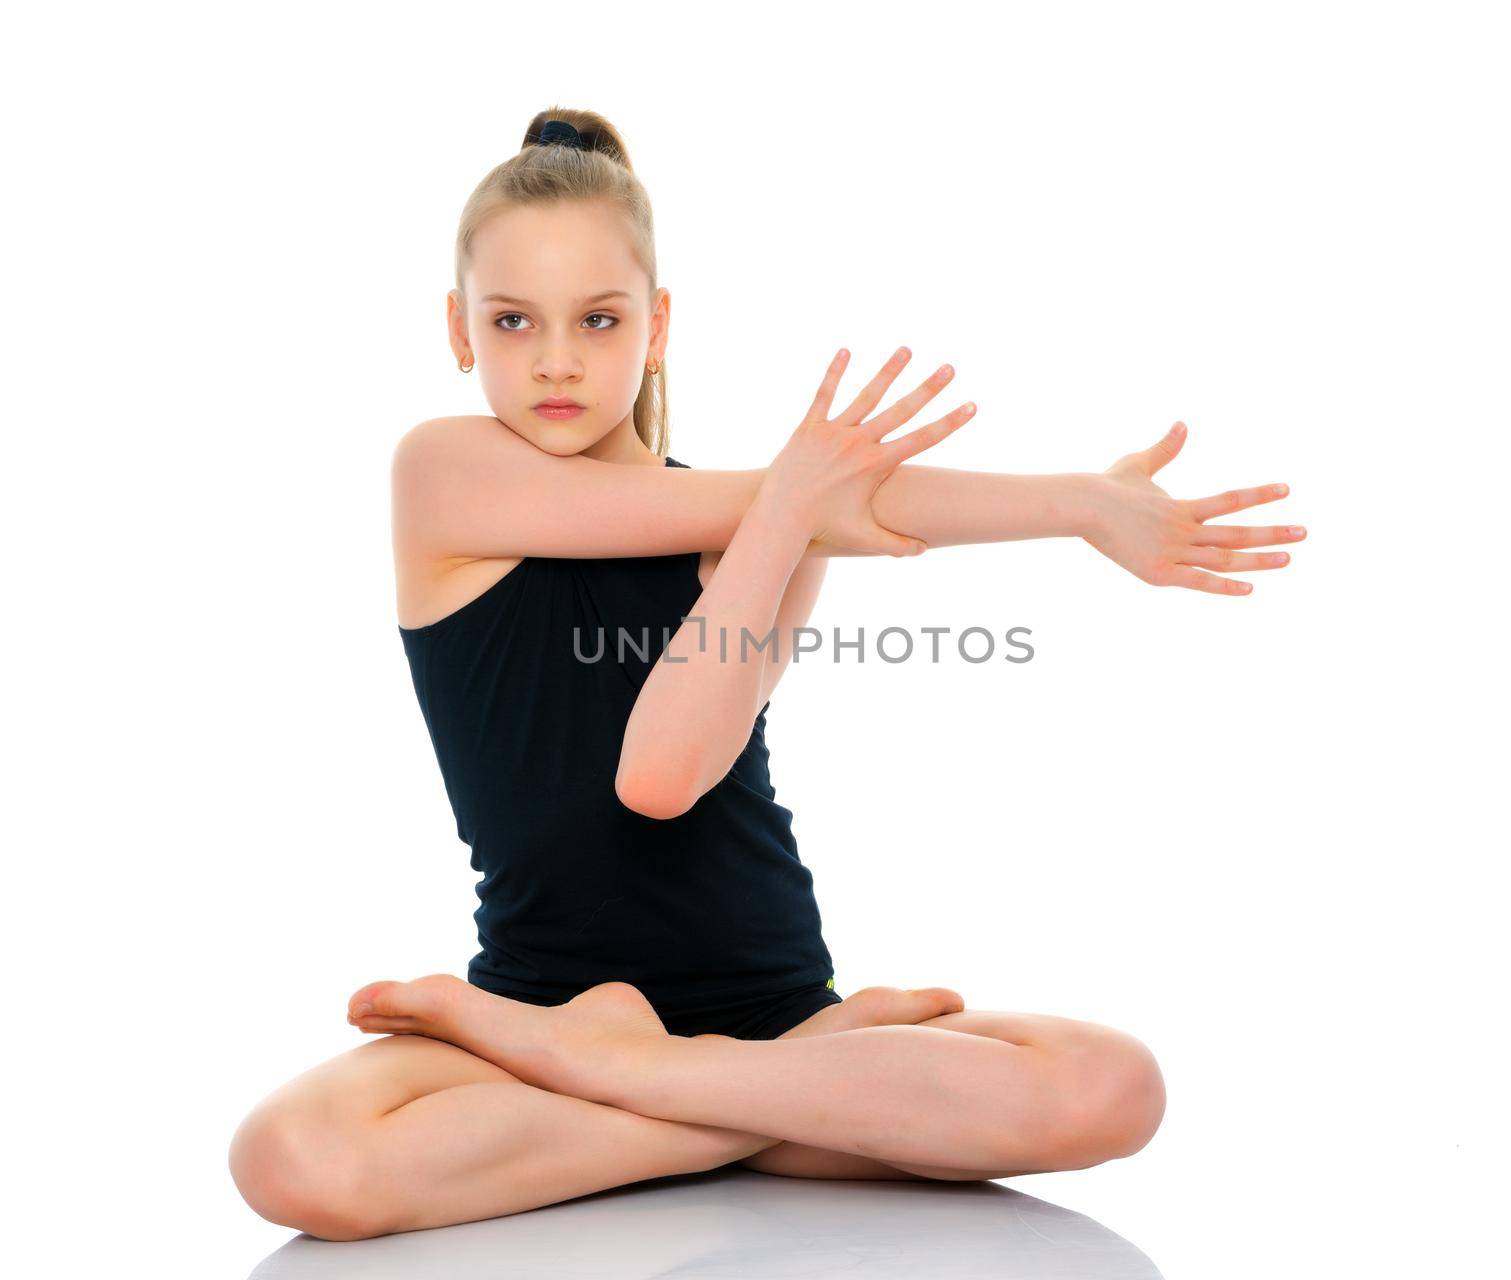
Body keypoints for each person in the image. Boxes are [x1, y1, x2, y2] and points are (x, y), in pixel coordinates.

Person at [229, 108, 1305, 1242]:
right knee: (292, 1157)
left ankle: (628, 1078)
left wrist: (1082, 502)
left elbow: (666, 771)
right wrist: (797, 501)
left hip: (758, 1009)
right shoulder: (443, 472)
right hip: (586, 1012)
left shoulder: (759, 521)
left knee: (1110, 1085)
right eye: (513, 321)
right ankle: (708, 1092)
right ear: (460, 327)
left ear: (656, 327)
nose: (555, 358)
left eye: (598, 319)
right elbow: (794, 501)